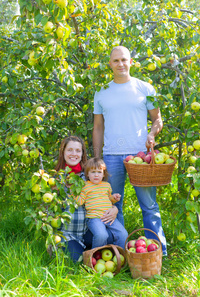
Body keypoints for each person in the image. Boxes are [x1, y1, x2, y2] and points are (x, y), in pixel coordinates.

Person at [92, 46, 167, 256]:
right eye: (116, 61)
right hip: (111, 156)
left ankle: (159, 252)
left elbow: (157, 119)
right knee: (114, 206)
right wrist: (97, 157)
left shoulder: (145, 88)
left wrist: (152, 134)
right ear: (110, 64)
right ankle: (120, 252)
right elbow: (98, 127)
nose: (120, 64)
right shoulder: (102, 92)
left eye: (124, 60)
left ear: (131, 62)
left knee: (149, 205)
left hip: (139, 157)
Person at [55, 136, 118, 262]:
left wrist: (114, 208)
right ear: (63, 152)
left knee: (110, 236)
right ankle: (81, 252)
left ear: (82, 153)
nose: (74, 154)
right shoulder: (56, 179)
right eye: (70, 150)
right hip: (67, 234)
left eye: (78, 151)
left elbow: (102, 196)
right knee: (77, 261)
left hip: (87, 232)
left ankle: (94, 253)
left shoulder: (89, 176)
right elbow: (46, 212)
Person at [73, 157, 128, 249]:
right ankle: (95, 255)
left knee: (123, 234)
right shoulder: (85, 186)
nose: (96, 175)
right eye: (93, 172)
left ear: (103, 174)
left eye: (99, 172)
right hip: (94, 218)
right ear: (87, 174)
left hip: (108, 216)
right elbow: (80, 201)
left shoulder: (106, 185)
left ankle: (121, 256)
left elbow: (109, 199)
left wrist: (114, 198)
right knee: (102, 235)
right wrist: (73, 194)